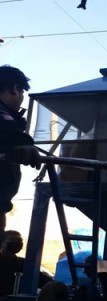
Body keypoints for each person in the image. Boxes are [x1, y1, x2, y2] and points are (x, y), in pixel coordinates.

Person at [0, 65, 41, 242]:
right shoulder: (3, 117)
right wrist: (22, 143)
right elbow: (7, 133)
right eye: (22, 92)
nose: (21, 98)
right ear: (15, 89)